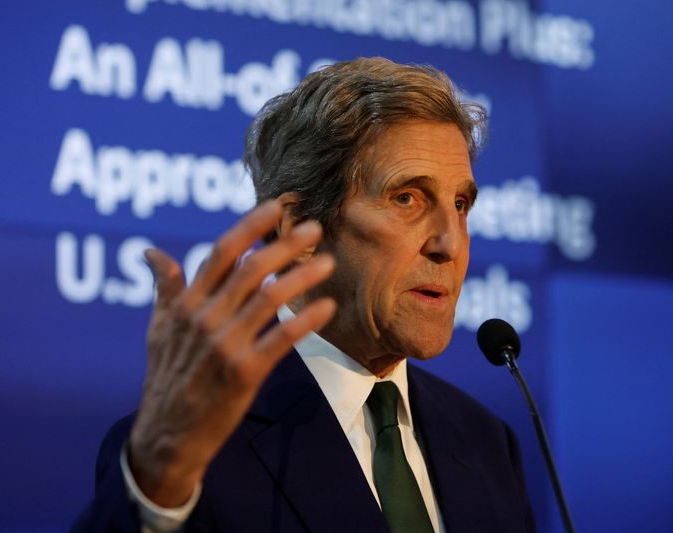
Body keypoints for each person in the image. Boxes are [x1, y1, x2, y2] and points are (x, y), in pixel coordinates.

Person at [73, 57, 535, 532]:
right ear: (300, 228)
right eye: (407, 198)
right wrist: (157, 491)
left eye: (460, 205)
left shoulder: (486, 442)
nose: (451, 244)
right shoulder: (187, 452)